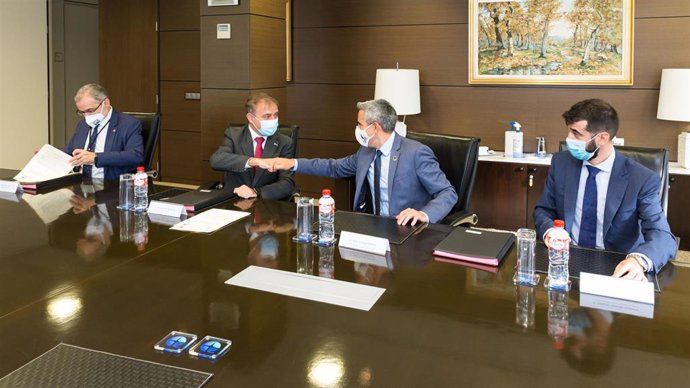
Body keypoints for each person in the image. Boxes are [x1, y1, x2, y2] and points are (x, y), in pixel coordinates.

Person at [534, 98, 675, 280]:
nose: (569, 139)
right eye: (569, 131)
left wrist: (638, 261)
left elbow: (663, 235)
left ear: (602, 138)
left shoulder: (641, 179)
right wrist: (550, 231)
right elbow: (544, 209)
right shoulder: (561, 163)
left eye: (576, 134)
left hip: (616, 266)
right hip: (565, 260)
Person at [263, 99, 457, 225]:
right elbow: (333, 167)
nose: (357, 128)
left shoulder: (416, 153)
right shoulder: (365, 152)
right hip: (369, 226)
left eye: (359, 124)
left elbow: (447, 193)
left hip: (404, 228)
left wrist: (424, 214)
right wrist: (291, 163)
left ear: (375, 128)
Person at [209, 93, 295, 200]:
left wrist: (256, 192)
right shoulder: (234, 135)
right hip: (234, 200)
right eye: (267, 116)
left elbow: (287, 183)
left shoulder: (285, 142)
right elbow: (217, 160)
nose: (273, 120)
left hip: (266, 204)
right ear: (251, 118)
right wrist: (253, 161)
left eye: (276, 115)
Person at [65, 83, 144, 180]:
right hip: (80, 184)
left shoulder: (128, 124)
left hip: (110, 185)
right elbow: (69, 151)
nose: (86, 116)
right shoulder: (82, 124)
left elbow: (135, 155)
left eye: (90, 110)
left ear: (105, 103)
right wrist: (46, 154)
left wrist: (96, 157)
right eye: (82, 112)